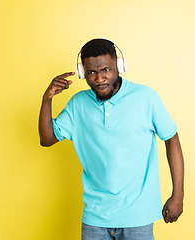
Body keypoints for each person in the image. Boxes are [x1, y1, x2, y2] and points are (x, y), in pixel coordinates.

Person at [39, 38, 184, 240]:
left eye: (106, 69)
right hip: (95, 217)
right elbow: (47, 139)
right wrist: (47, 99)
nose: (99, 79)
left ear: (119, 66)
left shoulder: (145, 97)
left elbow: (171, 139)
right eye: (91, 72)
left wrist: (178, 195)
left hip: (138, 216)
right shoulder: (78, 104)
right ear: (82, 73)